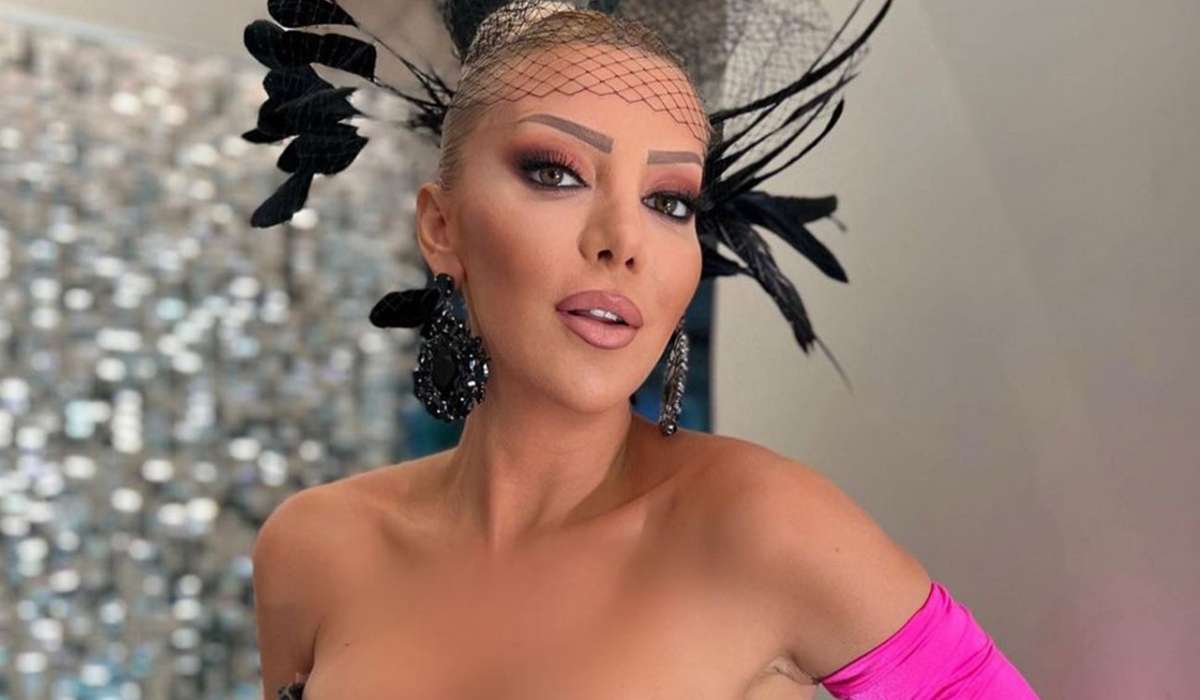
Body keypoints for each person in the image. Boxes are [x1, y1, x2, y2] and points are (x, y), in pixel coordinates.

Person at [243, 1, 1039, 697]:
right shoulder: (313, 548)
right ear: (441, 227)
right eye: (556, 174)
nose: (623, 241)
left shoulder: (762, 528)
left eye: (669, 201)